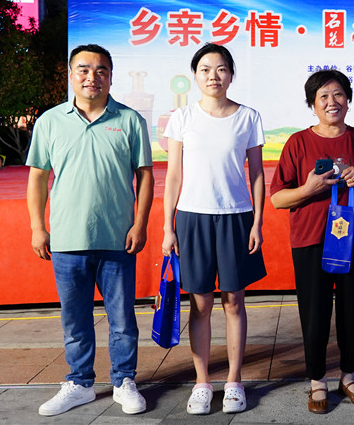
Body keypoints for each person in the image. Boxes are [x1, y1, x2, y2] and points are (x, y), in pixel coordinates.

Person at [26, 44, 153, 417]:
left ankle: (124, 381)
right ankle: (80, 383)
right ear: (70, 74)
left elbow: (145, 176)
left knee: (122, 320)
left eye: (101, 70)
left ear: (111, 77)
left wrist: (140, 223)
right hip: (67, 239)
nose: (92, 77)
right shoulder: (50, 121)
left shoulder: (130, 120)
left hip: (117, 238)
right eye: (83, 69)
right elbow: (37, 177)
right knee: (75, 320)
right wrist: (37, 227)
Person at [269, 69, 354, 414]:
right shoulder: (298, 143)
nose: (331, 102)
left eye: (338, 94)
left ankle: (349, 377)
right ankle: (317, 381)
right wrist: (309, 189)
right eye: (323, 96)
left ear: (348, 101)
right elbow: (277, 198)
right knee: (315, 314)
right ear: (312, 104)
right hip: (311, 240)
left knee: (353, 312)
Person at [161, 43, 267, 415]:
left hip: (236, 216)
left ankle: (234, 381)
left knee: (234, 301)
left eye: (221, 69)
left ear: (231, 75)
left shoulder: (248, 117)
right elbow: (173, 176)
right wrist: (168, 227)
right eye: (205, 69)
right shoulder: (182, 118)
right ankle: (202, 383)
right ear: (195, 75)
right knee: (201, 303)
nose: (213, 76)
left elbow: (257, 174)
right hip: (193, 217)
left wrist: (257, 221)